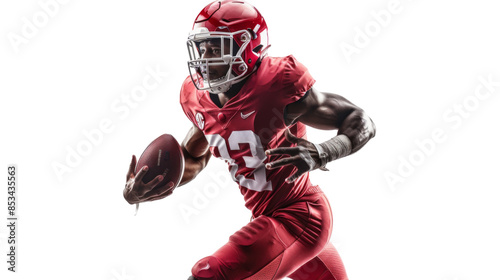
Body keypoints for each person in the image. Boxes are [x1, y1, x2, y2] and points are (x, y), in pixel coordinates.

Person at [123, 1, 376, 279]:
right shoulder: (197, 99)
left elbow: (360, 120)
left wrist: (324, 152)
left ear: (247, 48)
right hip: (270, 220)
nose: (205, 59)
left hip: (299, 216)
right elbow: (194, 157)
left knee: (208, 275)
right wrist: (151, 184)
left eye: (216, 49)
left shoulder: (278, 85)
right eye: (202, 47)